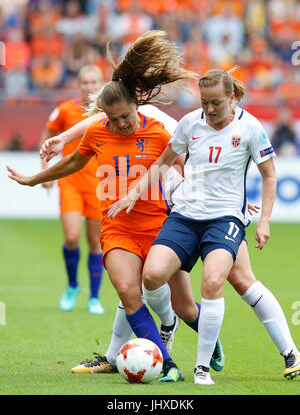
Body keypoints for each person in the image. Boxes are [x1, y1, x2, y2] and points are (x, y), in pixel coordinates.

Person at [7, 30, 200, 383]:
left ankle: (206, 337)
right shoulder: (100, 130)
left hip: (159, 223)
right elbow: (74, 161)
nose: (121, 124)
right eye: (114, 120)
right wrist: (36, 178)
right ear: (105, 118)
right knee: (128, 292)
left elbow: (187, 162)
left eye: (125, 116)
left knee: (186, 307)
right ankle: (167, 362)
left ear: (136, 107)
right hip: (118, 227)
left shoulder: (159, 130)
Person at [107, 67, 300, 385]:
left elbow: (269, 175)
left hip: (225, 219)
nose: (208, 110)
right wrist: (133, 195)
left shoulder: (250, 128)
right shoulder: (189, 124)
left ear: (232, 97)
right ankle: (168, 323)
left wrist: (263, 220)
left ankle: (281, 354)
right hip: (186, 216)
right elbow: (165, 162)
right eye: (204, 102)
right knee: (153, 276)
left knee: (229, 282)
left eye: (216, 103)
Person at [39, 65, 105, 315]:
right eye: (85, 82)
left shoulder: (107, 112)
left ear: (101, 84)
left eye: (93, 82)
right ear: (78, 85)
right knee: (71, 237)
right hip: (70, 182)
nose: (89, 86)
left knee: (95, 243)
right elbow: (48, 134)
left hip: (99, 185)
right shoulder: (65, 110)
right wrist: (45, 168)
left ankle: (95, 297)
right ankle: (72, 286)